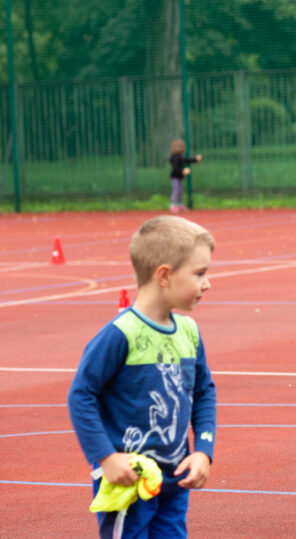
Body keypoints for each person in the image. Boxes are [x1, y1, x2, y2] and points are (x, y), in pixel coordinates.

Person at [68, 215, 217, 538]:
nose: (207, 283)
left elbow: (204, 391)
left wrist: (204, 450)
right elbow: (81, 394)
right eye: (199, 273)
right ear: (164, 275)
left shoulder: (189, 332)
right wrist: (105, 457)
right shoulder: (121, 334)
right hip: (128, 482)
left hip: (175, 479)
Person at [169, 139, 202, 213]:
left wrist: (195, 159)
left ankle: (180, 205)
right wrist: (182, 171)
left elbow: (187, 160)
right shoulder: (174, 157)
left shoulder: (180, 157)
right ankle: (172, 205)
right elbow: (175, 168)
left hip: (179, 178)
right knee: (176, 191)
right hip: (175, 177)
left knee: (180, 191)